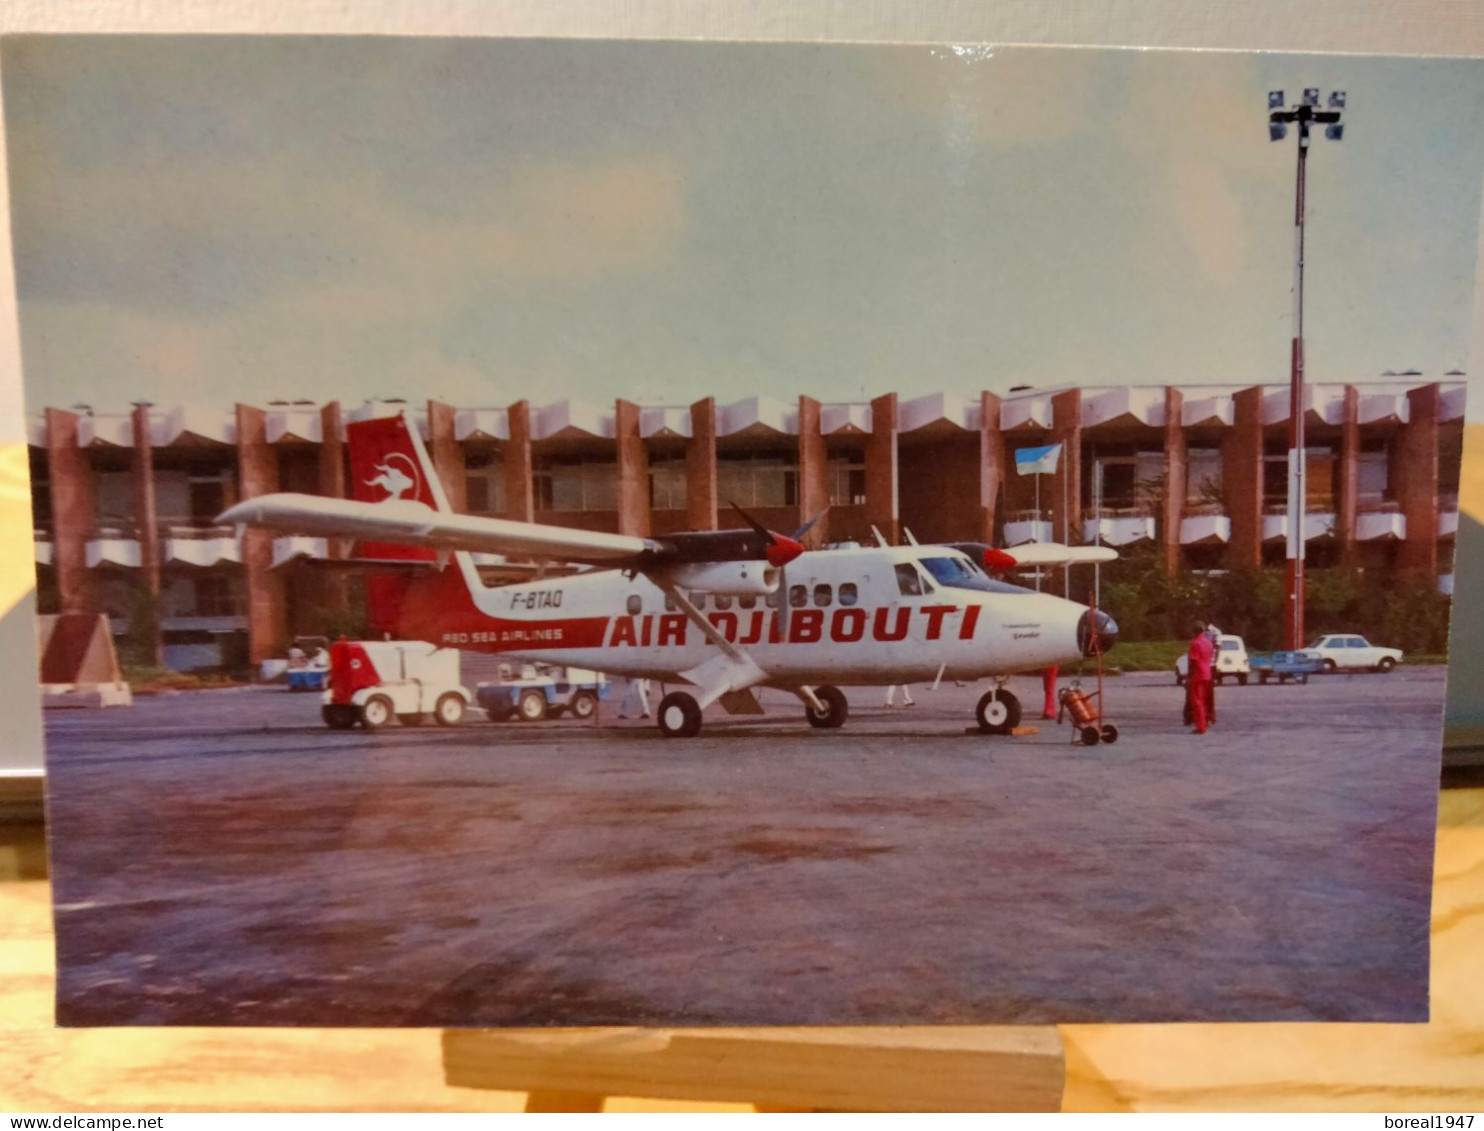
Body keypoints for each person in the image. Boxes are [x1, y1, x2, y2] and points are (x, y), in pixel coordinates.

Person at [1186, 620, 1215, 735]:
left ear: (1194, 631)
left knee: (1197, 701)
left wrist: (1189, 676)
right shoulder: (1208, 642)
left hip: (1198, 674)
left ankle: (1201, 727)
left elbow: (1193, 661)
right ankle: (1206, 721)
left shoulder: (1195, 643)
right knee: (1205, 701)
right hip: (1208, 673)